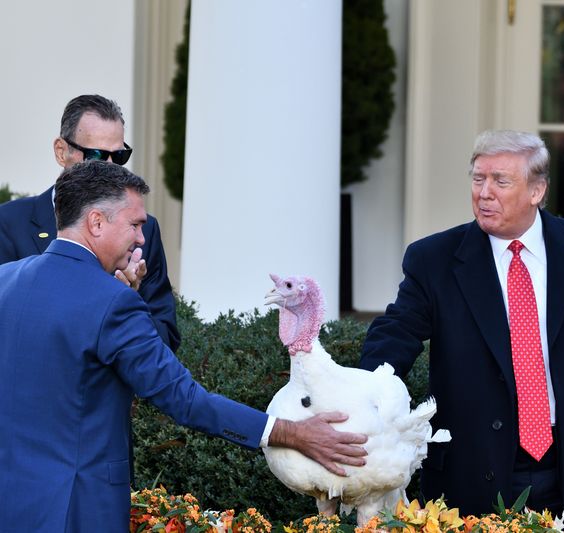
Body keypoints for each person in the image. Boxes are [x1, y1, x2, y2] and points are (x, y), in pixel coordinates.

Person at [0, 160, 368, 531]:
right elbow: (185, 400)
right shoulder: (112, 301)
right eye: (135, 224)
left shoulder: (5, 279)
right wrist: (292, 432)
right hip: (77, 510)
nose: (142, 238)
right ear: (96, 222)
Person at [360, 130, 564, 531]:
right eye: (477, 178)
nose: (484, 193)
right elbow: (396, 333)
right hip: (473, 469)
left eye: (500, 181)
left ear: (537, 190)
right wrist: (360, 395)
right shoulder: (433, 260)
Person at [0, 94, 180, 352]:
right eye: (96, 155)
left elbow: (165, 339)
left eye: (118, 157)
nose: (109, 168)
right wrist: (101, 300)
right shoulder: (9, 223)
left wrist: (127, 301)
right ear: (62, 152)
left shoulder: (142, 230)